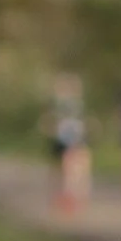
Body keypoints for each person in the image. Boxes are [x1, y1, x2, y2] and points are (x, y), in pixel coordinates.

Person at [39, 74, 93, 213]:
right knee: (65, 171)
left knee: (70, 171)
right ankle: (68, 198)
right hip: (65, 141)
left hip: (70, 141)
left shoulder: (69, 105)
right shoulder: (67, 105)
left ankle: (71, 199)